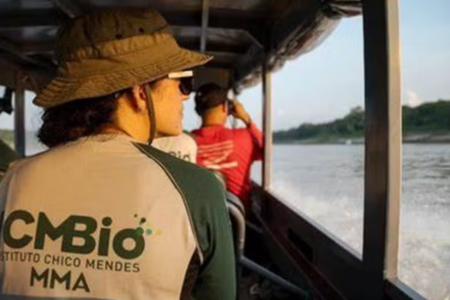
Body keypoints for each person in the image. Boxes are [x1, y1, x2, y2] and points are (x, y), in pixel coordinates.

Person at [0, 9, 236, 300]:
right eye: (182, 81)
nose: (186, 94)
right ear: (139, 91)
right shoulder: (198, 189)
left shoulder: (13, 179)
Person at [192, 83, 263, 212]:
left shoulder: (187, 142)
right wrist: (246, 119)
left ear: (198, 111)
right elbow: (266, 152)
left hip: (199, 220)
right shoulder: (244, 137)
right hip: (239, 222)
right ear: (225, 108)